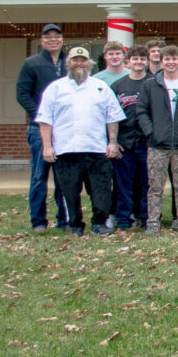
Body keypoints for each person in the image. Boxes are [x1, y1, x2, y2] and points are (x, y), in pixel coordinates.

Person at [35, 46, 124, 236]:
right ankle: (75, 224)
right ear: (69, 63)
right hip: (66, 150)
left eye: (83, 60)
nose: (79, 64)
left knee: (101, 190)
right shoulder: (55, 88)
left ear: (89, 64)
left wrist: (112, 142)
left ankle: (99, 223)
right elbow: (45, 120)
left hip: (96, 150)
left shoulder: (100, 87)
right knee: (69, 192)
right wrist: (47, 146)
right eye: (75, 60)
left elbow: (112, 117)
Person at [137, 46, 178, 233]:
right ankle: (153, 222)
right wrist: (151, 132)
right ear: (161, 61)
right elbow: (141, 111)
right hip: (158, 145)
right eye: (167, 59)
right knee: (155, 187)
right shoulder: (150, 85)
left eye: (174, 59)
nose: (171, 62)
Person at [17, 23, 67, 232]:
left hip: (65, 129)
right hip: (39, 130)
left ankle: (64, 220)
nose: (53, 39)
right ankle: (38, 221)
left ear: (62, 39)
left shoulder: (70, 63)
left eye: (57, 36)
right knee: (39, 176)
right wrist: (41, 115)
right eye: (48, 36)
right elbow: (22, 94)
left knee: (64, 177)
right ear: (41, 41)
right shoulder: (32, 63)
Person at [108, 46, 151, 231]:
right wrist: (113, 140)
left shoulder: (153, 83)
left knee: (146, 183)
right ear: (128, 62)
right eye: (135, 59)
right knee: (123, 184)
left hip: (147, 141)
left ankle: (145, 217)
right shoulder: (118, 86)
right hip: (124, 142)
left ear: (147, 62)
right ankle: (124, 218)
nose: (139, 62)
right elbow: (111, 116)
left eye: (142, 59)